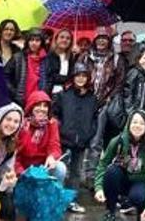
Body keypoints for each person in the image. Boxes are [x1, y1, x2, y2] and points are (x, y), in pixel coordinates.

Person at [94, 109, 145, 221]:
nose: (137, 126)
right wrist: (98, 188)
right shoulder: (118, 141)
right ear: (129, 124)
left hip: (141, 181)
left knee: (138, 196)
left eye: (141, 123)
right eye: (134, 122)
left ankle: (142, 214)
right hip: (123, 179)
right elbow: (103, 164)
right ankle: (110, 212)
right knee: (111, 172)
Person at [82, 28, 127, 184]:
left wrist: (107, 100)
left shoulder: (116, 59)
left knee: (96, 142)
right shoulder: (85, 56)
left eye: (104, 38)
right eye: (99, 38)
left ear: (109, 41)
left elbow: (119, 82)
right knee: (79, 139)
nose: (101, 41)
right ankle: (75, 174)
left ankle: (91, 176)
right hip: (84, 102)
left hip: (103, 104)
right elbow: (78, 76)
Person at [54, 63, 96, 212]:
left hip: (82, 140)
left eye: (84, 76)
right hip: (64, 138)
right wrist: (60, 129)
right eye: (78, 75)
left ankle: (72, 200)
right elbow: (55, 114)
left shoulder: (92, 97)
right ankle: (57, 199)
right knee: (61, 171)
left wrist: (90, 133)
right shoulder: (64, 95)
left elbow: (94, 118)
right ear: (73, 77)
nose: (80, 79)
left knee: (76, 172)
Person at [14, 91, 67, 184]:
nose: (42, 109)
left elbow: (54, 145)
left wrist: (52, 157)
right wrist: (20, 172)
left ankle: (54, 195)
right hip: (23, 167)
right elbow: (15, 154)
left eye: (45, 106)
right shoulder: (21, 124)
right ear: (31, 107)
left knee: (60, 168)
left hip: (43, 166)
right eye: (38, 105)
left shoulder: (52, 124)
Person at [3, 29, 50, 107]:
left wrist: (45, 92)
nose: (34, 43)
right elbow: (5, 76)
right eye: (31, 40)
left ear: (41, 43)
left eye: (37, 40)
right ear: (27, 42)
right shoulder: (18, 57)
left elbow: (50, 79)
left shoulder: (46, 59)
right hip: (20, 100)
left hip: (39, 101)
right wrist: (15, 92)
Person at [122, 49, 145, 122]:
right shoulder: (134, 72)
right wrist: (131, 114)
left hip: (141, 115)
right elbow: (127, 94)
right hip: (131, 116)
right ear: (139, 59)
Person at [46, 28, 78, 95]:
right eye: (62, 37)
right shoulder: (49, 55)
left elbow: (73, 74)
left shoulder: (71, 57)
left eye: (68, 38)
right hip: (50, 91)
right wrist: (67, 79)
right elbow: (50, 75)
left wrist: (78, 56)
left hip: (66, 92)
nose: (64, 40)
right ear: (56, 39)